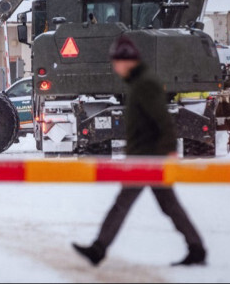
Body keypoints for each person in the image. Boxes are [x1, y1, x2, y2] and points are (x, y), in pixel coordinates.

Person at [72, 35, 206, 267]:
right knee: (168, 205)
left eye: (116, 62)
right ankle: (197, 248)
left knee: (122, 204)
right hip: (145, 156)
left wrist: (169, 152)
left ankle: (98, 249)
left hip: (148, 158)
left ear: (127, 61)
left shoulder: (145, 83)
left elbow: (163, 120)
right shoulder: (139, 82)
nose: (115, 67)